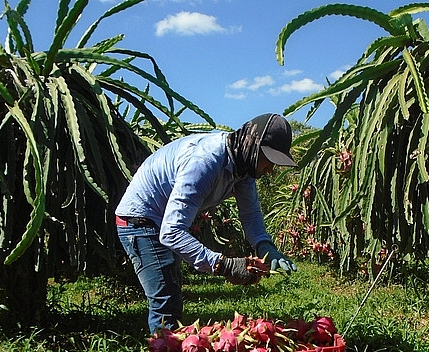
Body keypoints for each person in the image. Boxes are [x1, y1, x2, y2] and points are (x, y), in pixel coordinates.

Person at [115, 113, 298, 333]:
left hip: (161, 219)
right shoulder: (206, 161)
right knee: (165, 299)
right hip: (140, 220)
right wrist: (224, 265)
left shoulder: (243, 167)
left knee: (171, 291)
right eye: (269, 160)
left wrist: (265, 245)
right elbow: (171, 232)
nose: (270, 169)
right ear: (253, 146)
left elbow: (250, 215)